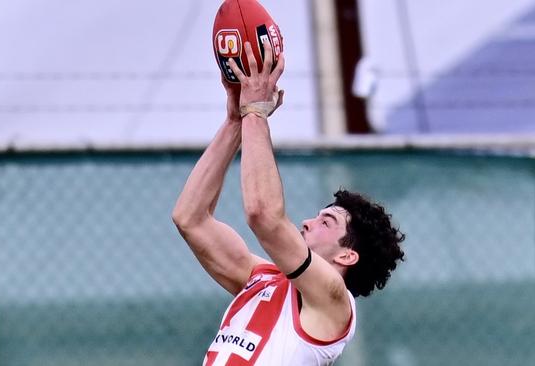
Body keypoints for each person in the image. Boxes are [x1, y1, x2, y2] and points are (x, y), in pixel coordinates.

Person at [172, 40, 405, 366]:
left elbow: (263, 215)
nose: (308, 222)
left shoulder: (335, 301)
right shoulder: (259, 277)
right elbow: (190, 218)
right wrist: (234, 123)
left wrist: (255, 111)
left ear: (347, 254)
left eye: (327, 222)